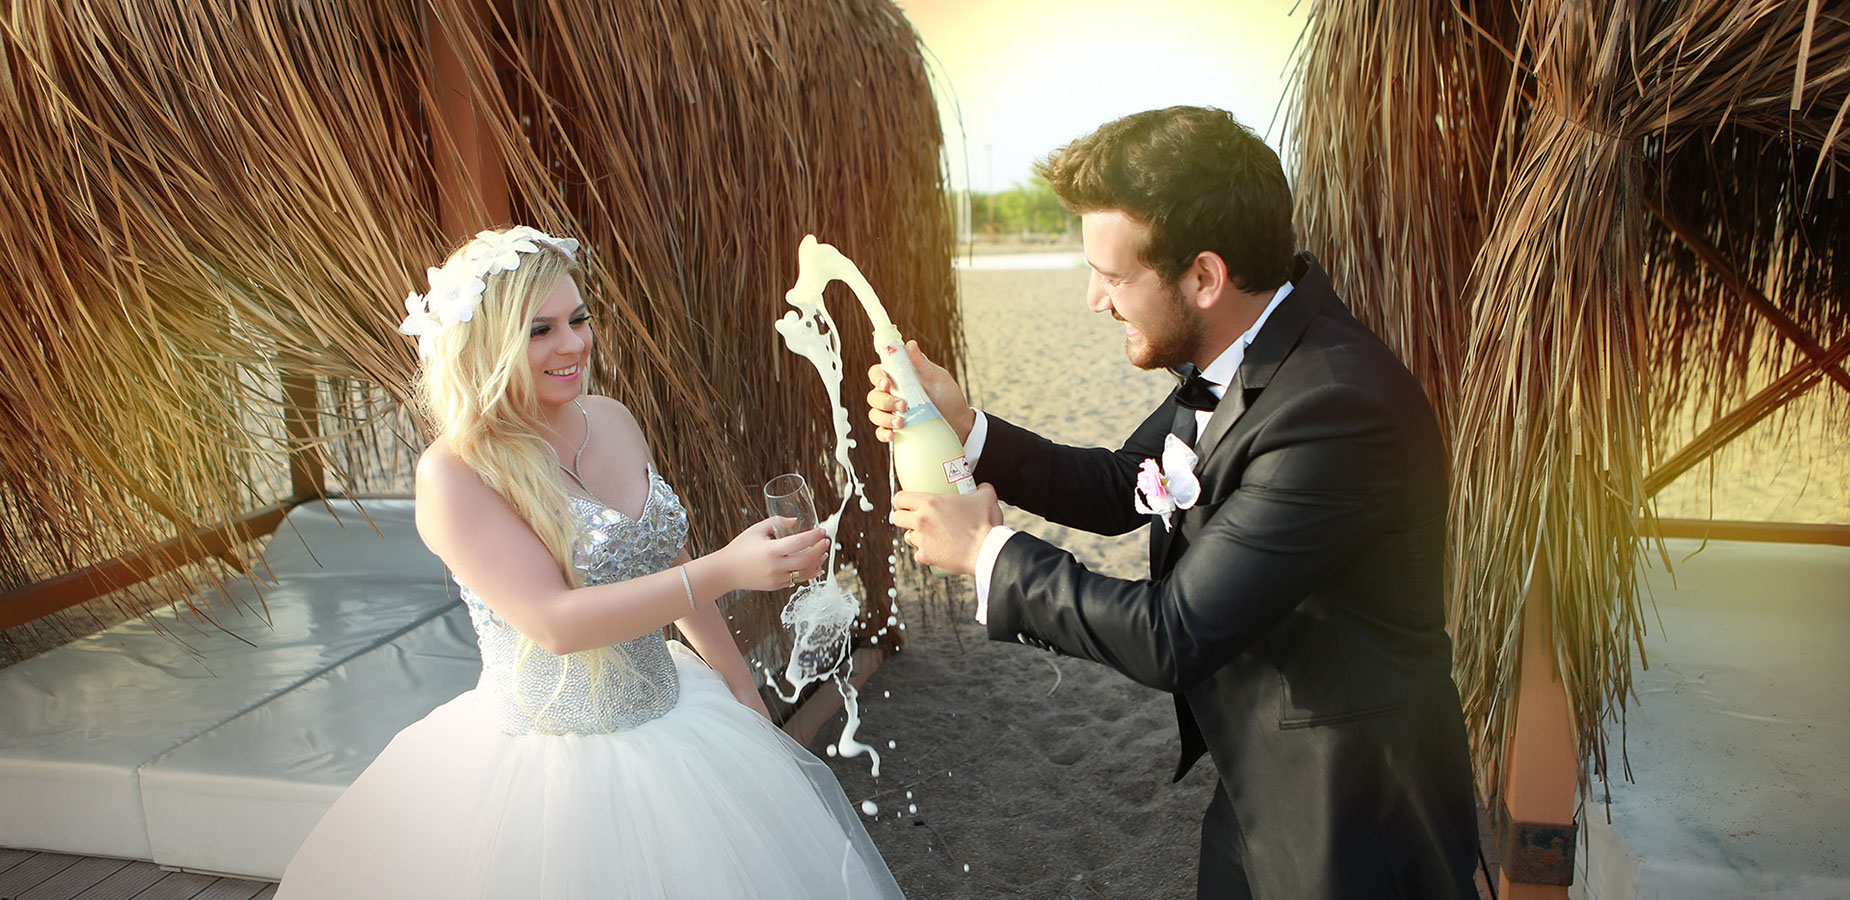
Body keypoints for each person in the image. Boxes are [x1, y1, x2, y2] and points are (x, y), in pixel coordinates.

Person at [868, 107, 1479, 900]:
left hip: (1357, 817)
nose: (1094, 298)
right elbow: (1127, 482)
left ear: (1204, 277)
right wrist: (968, 430)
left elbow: (1174, 633)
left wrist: (988, 553)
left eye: (1114, 276)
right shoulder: (1246, 351)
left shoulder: (1335, 407)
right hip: (1255, 785)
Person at [278, 226, 904, 899]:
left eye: (578, 319)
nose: (574, 344)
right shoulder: (455, 473)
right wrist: (727, 570)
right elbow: (555, 622)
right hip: (550, 772)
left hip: (679, 716)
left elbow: (665, 556)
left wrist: (742, 690)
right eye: (540, 330)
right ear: (484, 344)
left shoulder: (611, 418)